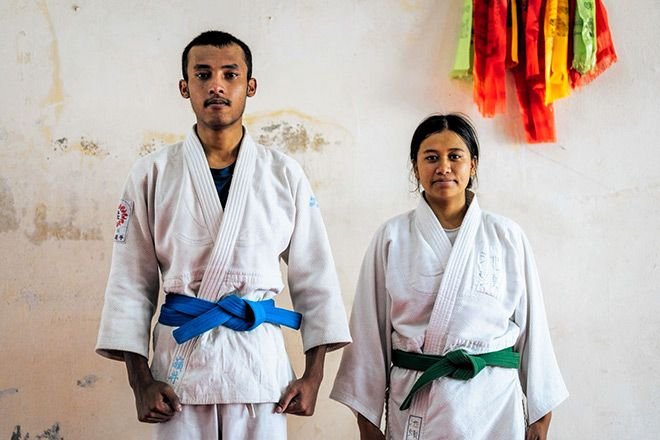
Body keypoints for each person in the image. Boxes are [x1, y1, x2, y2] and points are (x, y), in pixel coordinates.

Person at [96, 30, 351, 440]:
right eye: (203, 75)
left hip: (260, 372)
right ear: (185, 87)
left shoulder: (283, 174)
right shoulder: (152, 174)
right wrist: (139, 382)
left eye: (230, 74)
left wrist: (313, 376)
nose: (216, 85)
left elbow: (316, 278)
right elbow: (130, 282)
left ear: (250, 86)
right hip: (179, 374)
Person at [330, 114, 568, 440]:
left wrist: (540, 414)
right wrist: (367, 421)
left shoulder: (506, 236)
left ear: (473, 165)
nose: (444, 167)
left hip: (493, 404)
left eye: (455, 156)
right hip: (420, 399)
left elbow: (533, 327)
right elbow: (368, 329)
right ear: (415, 168)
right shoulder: (392, 237)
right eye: (431, 158)